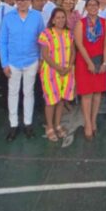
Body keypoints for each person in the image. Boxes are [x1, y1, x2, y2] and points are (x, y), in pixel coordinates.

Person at [0, 0, 44, 141]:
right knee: (12, 93)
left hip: (32, 61)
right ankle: (13, 125)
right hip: (13, 62)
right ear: (15, 1)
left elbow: (42, 40)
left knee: (29, 93)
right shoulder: (8, 18)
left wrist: (40, 60)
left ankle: (28, 123)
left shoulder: (37, 17)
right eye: (19, 0)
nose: (22, 2)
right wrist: (4, 63)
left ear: (29, 0)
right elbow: (3, 42)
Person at [74, 0, 106, 140]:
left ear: (99, 6)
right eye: (90, 5)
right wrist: (89, 62)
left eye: (95, 5)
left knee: (97, 94)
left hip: (100, 60)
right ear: (86, 7)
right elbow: (79, 44)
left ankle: (94, 119)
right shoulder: (80, 23)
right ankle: (87, 123)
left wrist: (105, 63)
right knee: (87, 94)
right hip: (85, 62)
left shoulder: (105, 23)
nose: (93, 7)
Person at [38, 8, 76, 142]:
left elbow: (73, 52)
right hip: (51, 72)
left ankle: (57, 124)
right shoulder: (46, 34)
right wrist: (58, 68)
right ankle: (49, 127)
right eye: (57, 18)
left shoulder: (68, 34)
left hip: (66, 72)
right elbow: (45, 55)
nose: (60, 20)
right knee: (51, 101)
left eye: (63, 17)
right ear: (53, 20)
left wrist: (69, 66)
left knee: (61, 99)